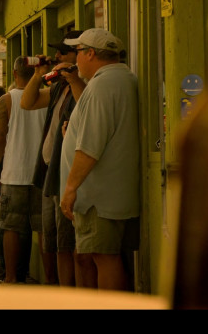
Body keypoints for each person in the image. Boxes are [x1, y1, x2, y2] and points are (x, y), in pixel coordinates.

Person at [59, 28, 139, 291]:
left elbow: (90, 146)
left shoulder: (102, 85)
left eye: (78, 52)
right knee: (107, 257)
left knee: (104, 258)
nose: (75, 59)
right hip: (111, 191)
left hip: (98, 196)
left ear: (90, 53)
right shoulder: (122, 78)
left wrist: (70, 189)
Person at [20, 32, 87, 287]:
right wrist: (38, 75)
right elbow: (28, 103)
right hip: (50, 172)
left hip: (68, 172)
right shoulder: (59, 87)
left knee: (70, 242)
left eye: (63, 53)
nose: (56, 57)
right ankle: (57, 291)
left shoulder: (85, 85)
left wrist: (73, 76)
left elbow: (87, 109)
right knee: (55, 241)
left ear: (79, 56)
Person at [0, 58, 47, 284]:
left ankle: (12, 278)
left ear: (15, 74)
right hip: (43, 173)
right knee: (44, 229)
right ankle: (51, 280)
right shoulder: (49, 95)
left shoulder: (7, 100)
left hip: (15, 172)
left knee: (11, 227)